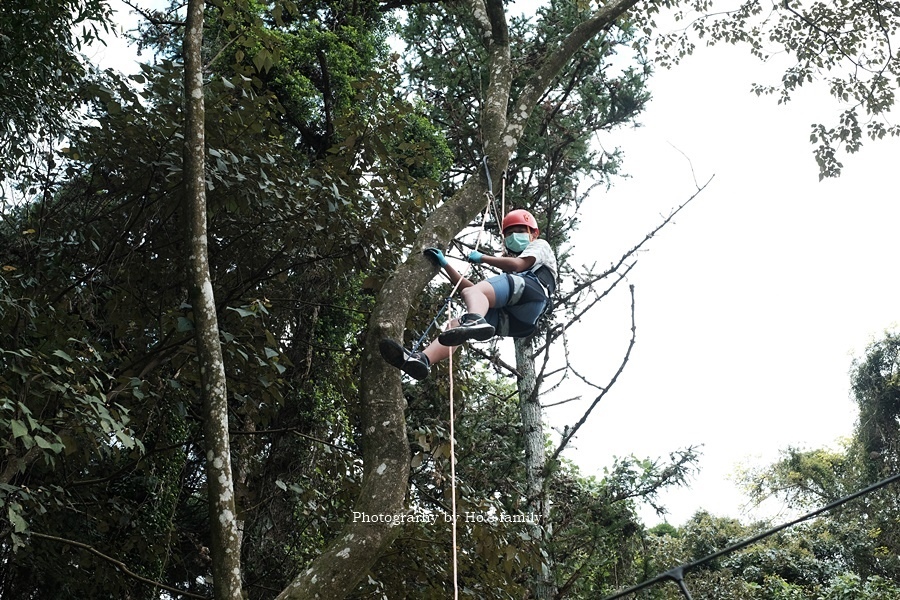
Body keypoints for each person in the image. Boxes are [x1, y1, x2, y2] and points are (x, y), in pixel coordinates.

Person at [379, 209, 557, 381]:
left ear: (534, 233)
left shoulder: (539, 245)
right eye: (509, 234)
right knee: (456, 324)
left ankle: (475, 320)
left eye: (519, 231)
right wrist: (445, 265)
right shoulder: (514, 280)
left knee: (475, 300)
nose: (514, 236)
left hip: (534, 291)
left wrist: (483, 258)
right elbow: (471, 290)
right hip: (519, 319)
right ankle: (423, 360)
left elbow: (518, 264)